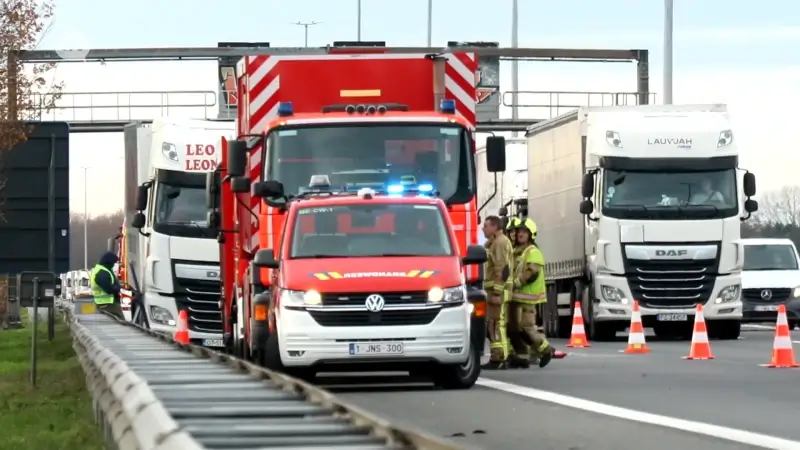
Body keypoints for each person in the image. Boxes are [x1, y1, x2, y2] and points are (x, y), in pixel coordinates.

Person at [507, 218, 555, 369]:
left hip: (528, 297)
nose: (520, 234)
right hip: (516, 296)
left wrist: (517, 283)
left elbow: (531, 273)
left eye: (524, 232)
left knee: (527, 327)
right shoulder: (517, 251)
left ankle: (546, 349)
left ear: (530, 235)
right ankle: (524, 355)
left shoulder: (533, 252)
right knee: (515, 328)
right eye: (519, 231)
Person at [480, 215, 513, 370]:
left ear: (494, 227)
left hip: (497, 291)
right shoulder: (495, 242)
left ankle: (500, 357)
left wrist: (497, 293)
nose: (483, 228)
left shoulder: (500, 243)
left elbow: (502, 270)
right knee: (493, 324)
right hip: (494, 290)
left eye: (486, 226)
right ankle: (497, 356)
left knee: (496, 325)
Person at [91, 252, 125, 319]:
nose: (116, 265)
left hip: (106, 303)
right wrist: (119, 288)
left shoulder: (104, 270)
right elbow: (109, 289)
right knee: (121, 321)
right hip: (106, 304)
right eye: (115, 262)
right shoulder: (102, 273)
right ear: (110, 262)